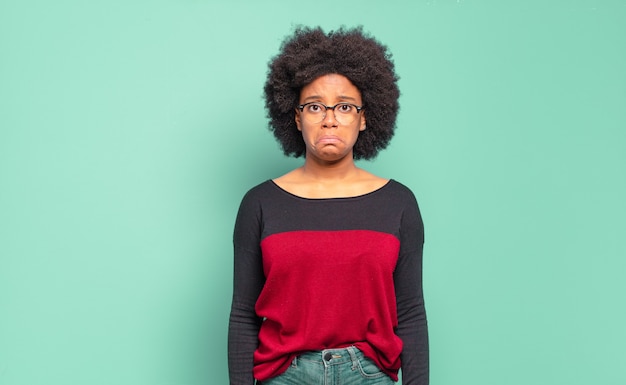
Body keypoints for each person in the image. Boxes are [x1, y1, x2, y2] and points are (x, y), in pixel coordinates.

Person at [228, 26, 428, 385]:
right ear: (296, 116)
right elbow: (243, 315)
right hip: (284, 376)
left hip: (369, 375)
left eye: (345, 106)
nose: (330, 118)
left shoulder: (399, 203)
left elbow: (411, 314)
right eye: (315, 106)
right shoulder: (260, 204)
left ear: (365, 117)